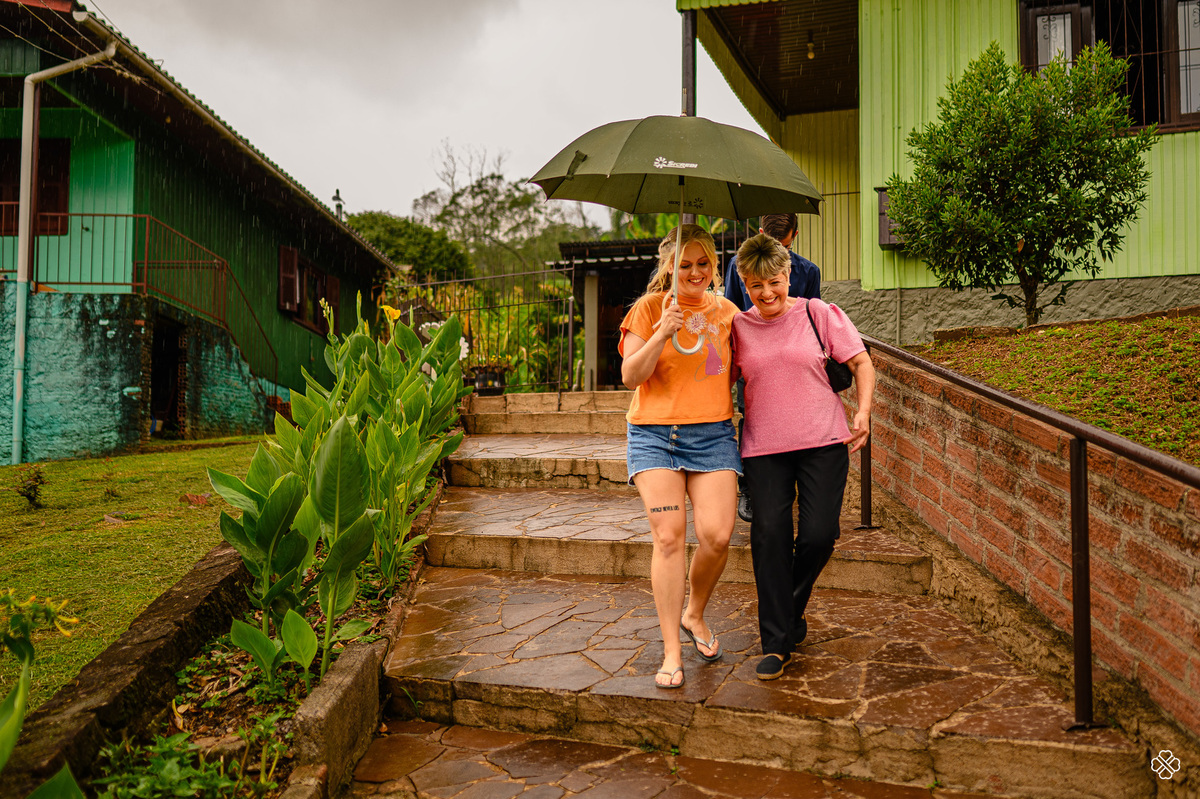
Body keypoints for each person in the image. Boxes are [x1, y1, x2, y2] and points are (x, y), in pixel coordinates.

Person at [730, 233, 875, 681]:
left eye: (774, 281)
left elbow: (861, 362)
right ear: (744, 284)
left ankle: (789, 610)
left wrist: (865, 412)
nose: (767, 293)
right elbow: (717, 381)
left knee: (818, 535)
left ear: (789, 274)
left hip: (823, 442)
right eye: (756, 286)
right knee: (769, 537)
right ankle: (776, 641)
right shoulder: (737, 327)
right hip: (763, 448)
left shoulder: (819, 312)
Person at [619, 224, 741, 690]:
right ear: (668, 268)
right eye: (683, 265)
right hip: (655, 435)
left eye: (702, 263)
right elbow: (632, 374)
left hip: (712, 434)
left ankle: (694, 612)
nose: (694, 272)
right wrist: (662, 333)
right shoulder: (649, 309)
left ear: (713, 265)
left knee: (717, 535)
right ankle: (672, 650)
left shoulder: (727, 312)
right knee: (669, 537)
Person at [723, 213, 822, 523]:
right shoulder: (738, 265)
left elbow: (813, 320)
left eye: (785, 245)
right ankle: (749, 488)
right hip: (753, 360)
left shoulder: (808, 271)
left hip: (793, 362)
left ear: (792, 236)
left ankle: (786, 484)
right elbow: (731, 312)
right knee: (752, 420)